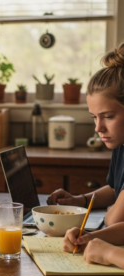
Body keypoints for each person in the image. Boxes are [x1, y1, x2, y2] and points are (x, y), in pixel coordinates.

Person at [47, 42, 124, 227]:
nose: (98, 128)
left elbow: (114, 221)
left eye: (107, 117)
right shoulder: (120, 143)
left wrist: (112, 211)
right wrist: (79, 200)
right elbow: (115, 189)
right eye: (94, 118)